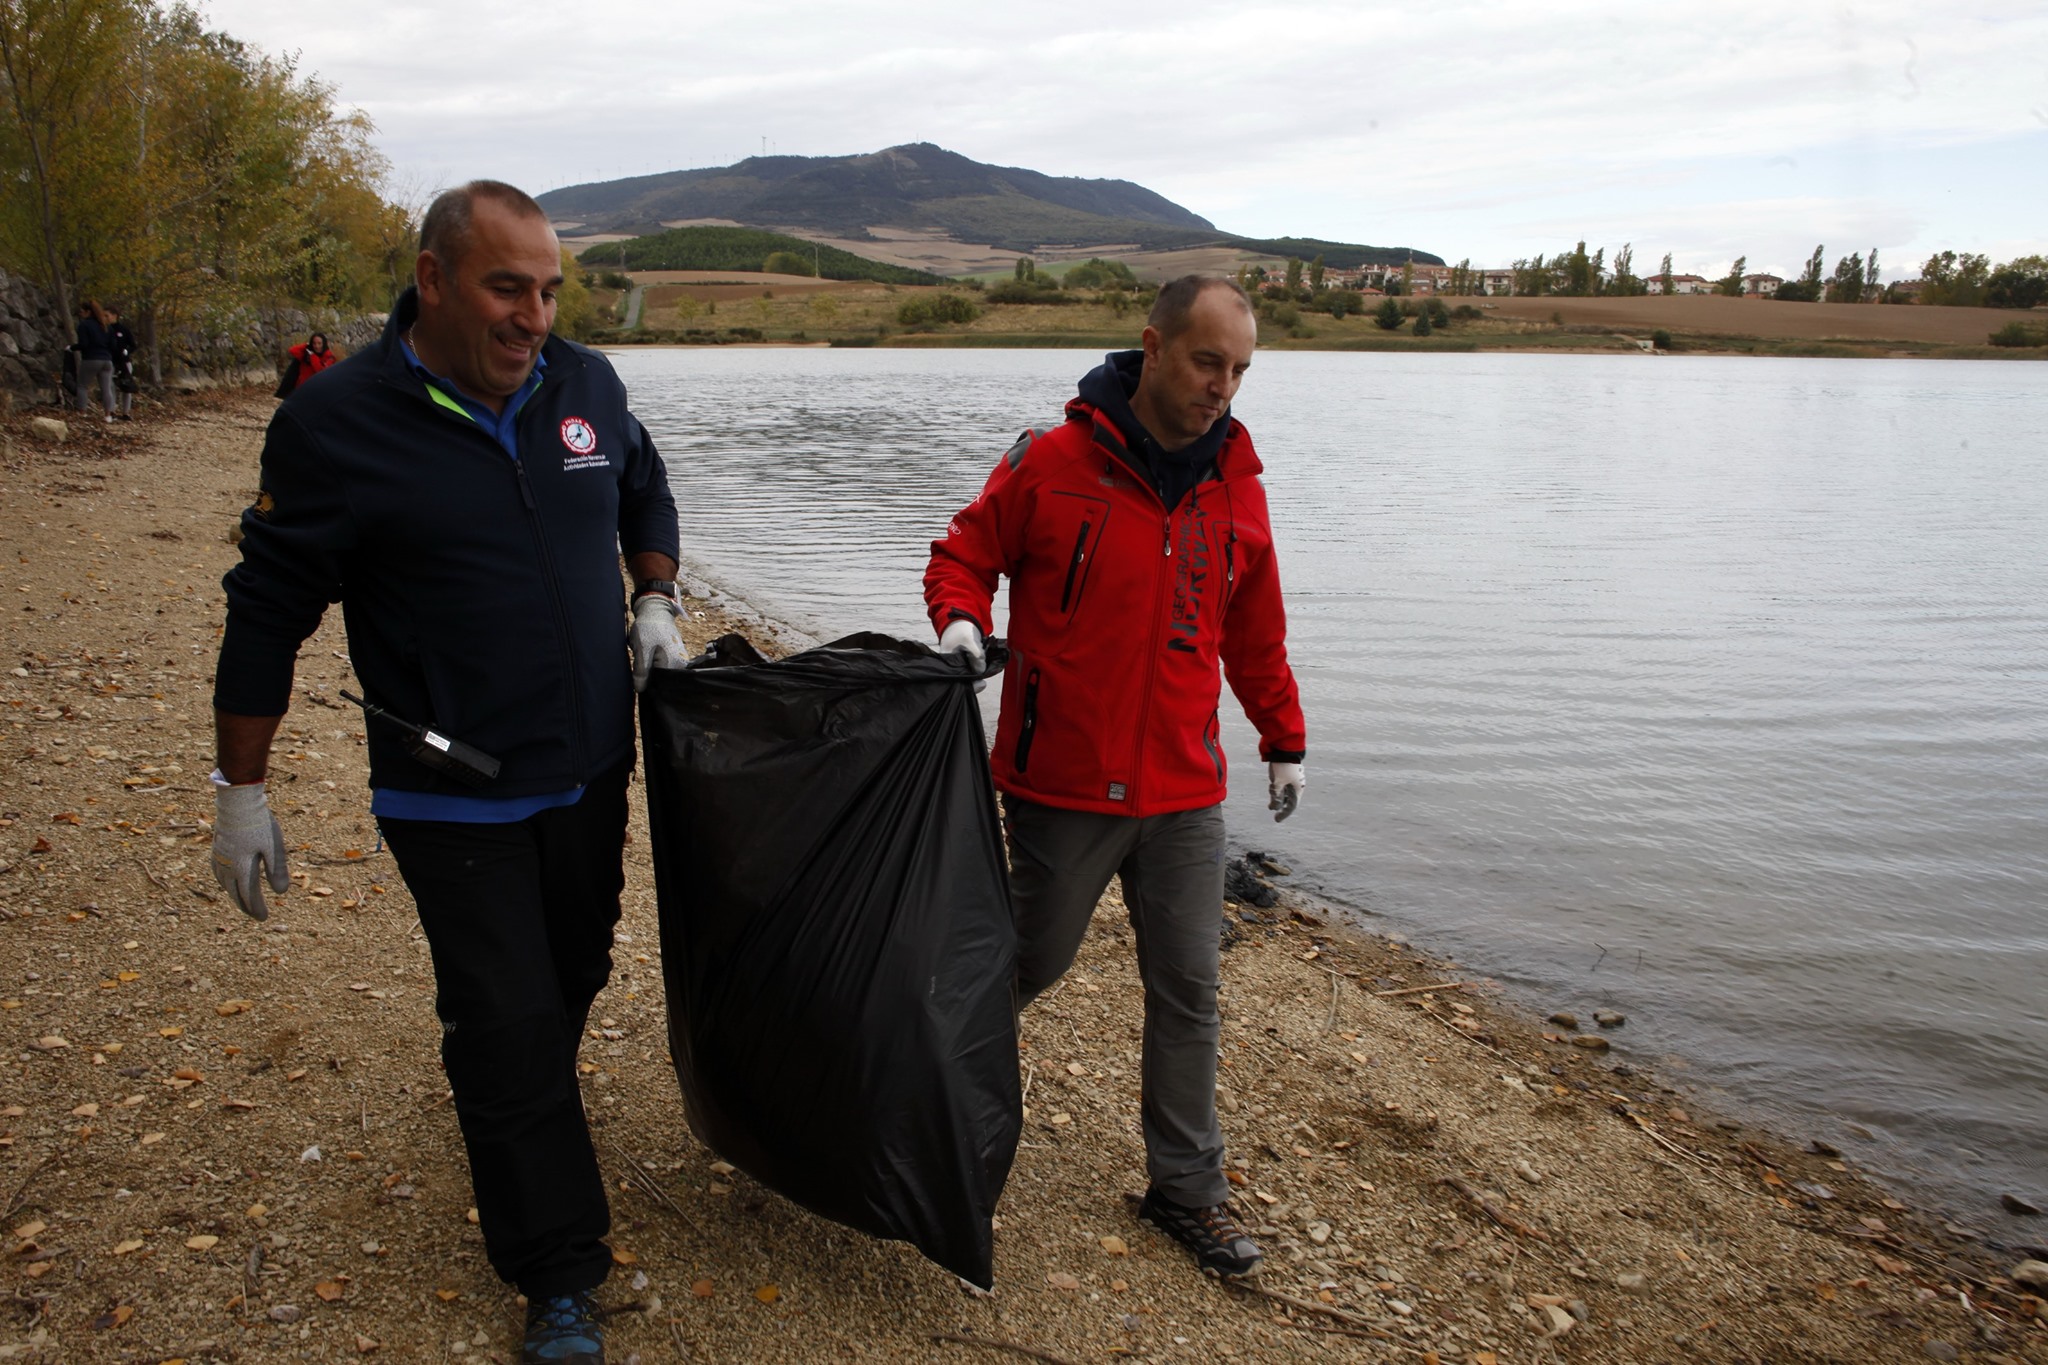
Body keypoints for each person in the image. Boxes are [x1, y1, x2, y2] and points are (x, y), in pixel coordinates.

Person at [210, 180, 690, 1365]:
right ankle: (558, 1272)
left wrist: (656, 593)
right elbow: (266, 610)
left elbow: (643, 478)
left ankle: (509, 1095)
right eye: (505, 288)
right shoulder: (336, 422)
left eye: (549, 290)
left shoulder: (586, 385)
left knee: (568, 974)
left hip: (587, 768)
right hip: (447, 785)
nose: (533, 316)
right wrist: (241, 792)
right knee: (511, 1018)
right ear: (432, 281)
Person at [923, 276, 1307, 1282]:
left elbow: (1252, 631)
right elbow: (963, 554)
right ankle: (908, 1104)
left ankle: (1186, 1190)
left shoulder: (1238, 489)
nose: (1221, 387)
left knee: (1188, 990)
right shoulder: (1051, 463)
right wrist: (962, 624)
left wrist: (1282, 736)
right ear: (1151, 348)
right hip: (1060, 784)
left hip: (1184, 793)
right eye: (1204, 361)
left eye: (1238, 371)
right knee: (1018, 968)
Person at [73, 300, 116, 422]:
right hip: (107, 360)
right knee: (106, 388)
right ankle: (108, 415)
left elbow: (84, 344)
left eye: (82, 311)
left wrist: (72, 348)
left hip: (91, 359)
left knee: (82, 385)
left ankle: (82, 412)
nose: (81, 314)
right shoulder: (106, 326)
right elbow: (113, 345)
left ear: (88, 312)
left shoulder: (84, 325)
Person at [277, 331, 337, 397]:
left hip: (317, 391)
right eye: (314, 343)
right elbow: (292, 350)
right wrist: (307, 345)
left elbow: (320, 371)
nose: (317, 346)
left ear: (324, 344)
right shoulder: (306, 355)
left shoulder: (329, 357)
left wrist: (313, 356)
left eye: (319, 343)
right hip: (302, 388)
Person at [106, 307, 139, 419]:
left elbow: (133, 345)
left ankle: (126, 412)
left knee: (126, 387)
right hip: (110, 361)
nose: (106, 318)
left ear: (115, 315)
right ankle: (111, 410)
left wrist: (127, 351)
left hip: (124, 362)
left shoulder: (123, 330)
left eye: (107, 315)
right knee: (110, 386)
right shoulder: (104, 329)